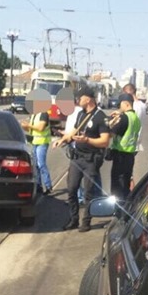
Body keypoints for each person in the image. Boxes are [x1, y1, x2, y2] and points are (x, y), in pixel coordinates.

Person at [53, 84, 110, 232]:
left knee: (88, 193)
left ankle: (86, 221)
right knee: (71, 189)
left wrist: (87, 141)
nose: (78, 99)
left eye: (80, 97)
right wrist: (63, 139)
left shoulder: (101, 117)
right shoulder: (80, 114)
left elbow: (104, 141)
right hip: (77, 158)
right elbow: (74, 131)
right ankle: (73, 219)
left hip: (91, 160)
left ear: (89, 98)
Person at [107, 93, 142, 202]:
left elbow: (111, 134)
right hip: (130, 156)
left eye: (120, 104)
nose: (119, 107)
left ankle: (117, 211)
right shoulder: (136, 118)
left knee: (117, 187)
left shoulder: (123, 118)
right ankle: (126, 208)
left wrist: (110, 122)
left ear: (125, 104)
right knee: (125, 185)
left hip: (120, 157)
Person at [22, 109, 53, 195]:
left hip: (42, 142)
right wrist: (25, 126)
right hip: (34, 142)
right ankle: (39, 185)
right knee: (35, 165)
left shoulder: (43, 114)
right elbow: (31, 130)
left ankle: (48, 186)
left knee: (41, 164)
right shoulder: (34, 115)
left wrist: (28, 125)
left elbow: (40, 128)